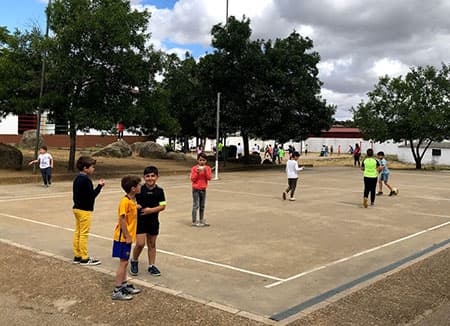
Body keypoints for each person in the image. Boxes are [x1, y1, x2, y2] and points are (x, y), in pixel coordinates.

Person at [129, 166, 167, 277]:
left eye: (152, 176)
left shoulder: (160, 191)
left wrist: (151, 210)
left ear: (157, 177)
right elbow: (130, 199)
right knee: (140, 243)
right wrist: (135, 206)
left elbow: (163, 206)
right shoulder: (139, 189)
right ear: (144, 177)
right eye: (147, 176)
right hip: (140, 220)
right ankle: (134, 260)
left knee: (152, 244)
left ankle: (151, 265)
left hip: (153, 220)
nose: (150, 178)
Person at [111, 175, 142, 300]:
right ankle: (117, 289)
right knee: (123, 263)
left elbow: (131, 211)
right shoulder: (124, 201)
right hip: (122, 238)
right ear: (133, 188)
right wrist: (127, 236)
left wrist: (136, 207)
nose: (141, 186)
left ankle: (123, 284)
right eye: (139, 185)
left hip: (127, 238)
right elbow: (122, 219)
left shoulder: (131, 201)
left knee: (125, 261)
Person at [72, 156, 105, 265]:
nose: (93, 169)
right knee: (84, 234)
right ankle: (84, 257)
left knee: (78, 232)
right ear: (85, 168)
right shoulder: (86, 180)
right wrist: (99, 186)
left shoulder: (77, 178)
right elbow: (91, 196)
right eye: (92, 167)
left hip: (76, 208)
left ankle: (77, 255)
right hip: (84, 210)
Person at [191, 152, 212, 226]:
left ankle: (201, 219)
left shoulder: (208, 168)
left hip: (203, 189)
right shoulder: (194, 168)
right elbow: (192, 179)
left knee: (202, 205)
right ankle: (194, 221)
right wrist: (197, 172)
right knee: (196, 205)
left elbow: (209, 178)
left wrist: (205, 171)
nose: (202, 162)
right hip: (196, 189)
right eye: (200, 160)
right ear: (197, 160)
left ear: (206, 161)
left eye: (203, 160)